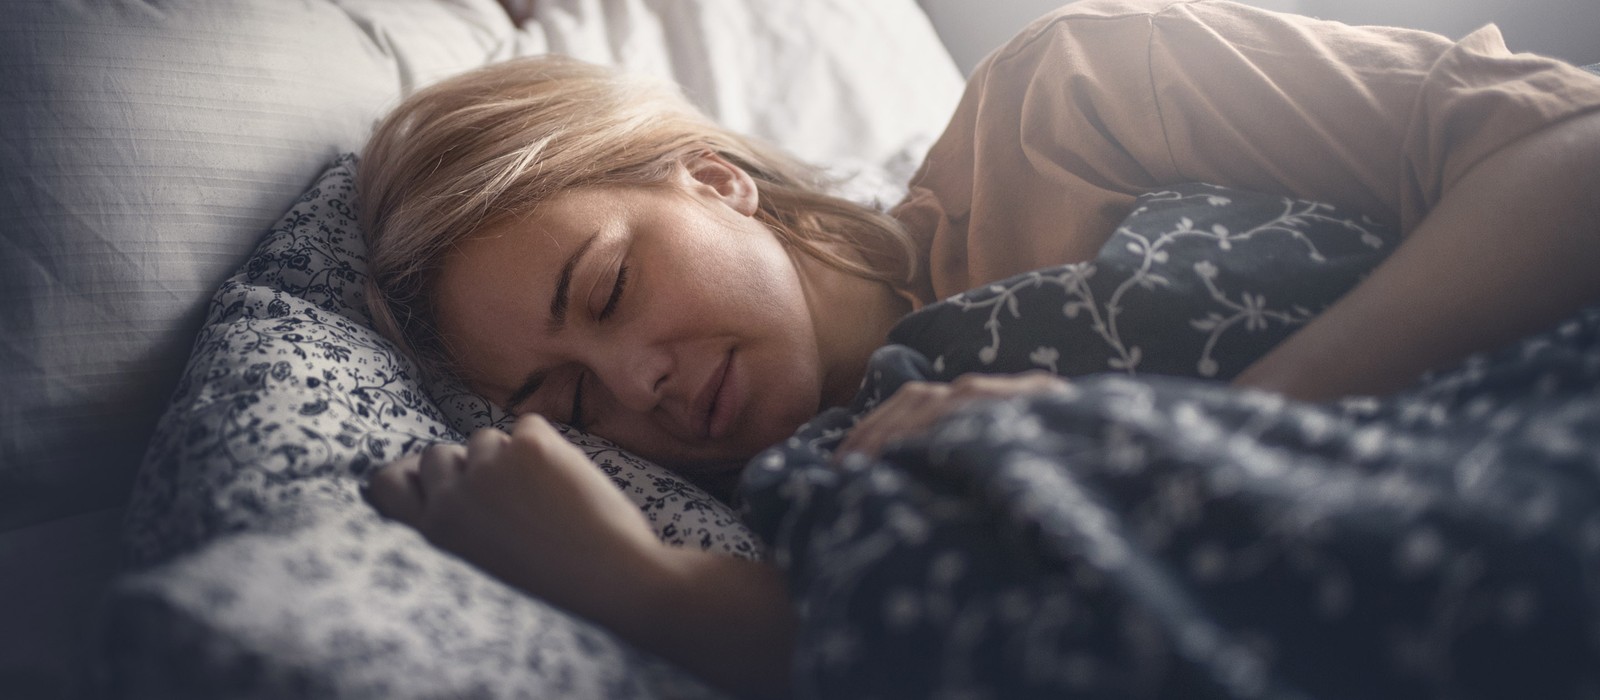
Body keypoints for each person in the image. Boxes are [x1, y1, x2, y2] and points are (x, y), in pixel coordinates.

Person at [358, 0, 1600, 696]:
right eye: (572, 401)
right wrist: (633, 583)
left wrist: (1187, 433)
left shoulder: (1072, 95)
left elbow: (1572, 152)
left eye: (614, 287)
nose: (641, 387)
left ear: (713, 179)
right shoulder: (810, 501)